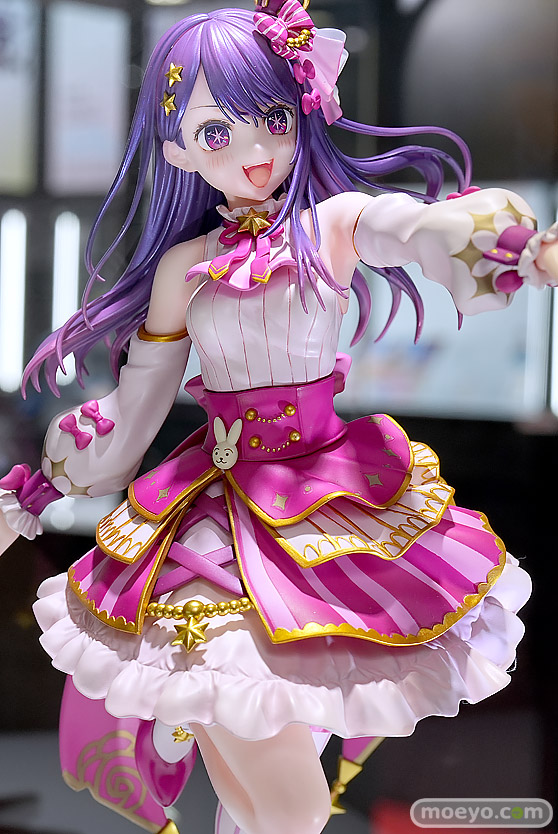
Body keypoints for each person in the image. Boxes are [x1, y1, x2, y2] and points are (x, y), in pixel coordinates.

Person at [1, 4, 557, 834]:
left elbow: (409, 226)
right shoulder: (186, 267)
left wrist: (512, 249)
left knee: (283, 801)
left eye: (272, 118)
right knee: (267, 793)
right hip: (211, 521)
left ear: (302, 110)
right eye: (216, 132)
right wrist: (37, 491)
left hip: (328, 499)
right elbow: (137, 406)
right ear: (177, 149)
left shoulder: (328, 226)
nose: (255, 150)